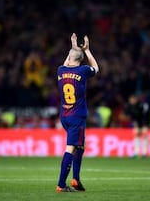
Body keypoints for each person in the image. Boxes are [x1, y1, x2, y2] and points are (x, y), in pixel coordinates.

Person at [56, 33, 99, 192]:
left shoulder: (60, 70)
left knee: (80, 145)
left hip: (64, 116)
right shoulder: (82, 71)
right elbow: (96, 68)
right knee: (71, 148)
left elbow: (69, 60)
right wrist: (87, 50)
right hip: (77, 116)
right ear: (81, 60)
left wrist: (73, 45)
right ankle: (61, 184)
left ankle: (76, 179)